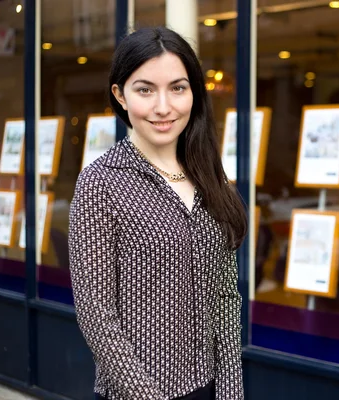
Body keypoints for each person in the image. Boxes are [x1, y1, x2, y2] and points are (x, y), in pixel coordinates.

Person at [68, 27, 247, 400]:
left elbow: (226, 296)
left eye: (177, 88)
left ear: (194, 93)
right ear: (120, 95)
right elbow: (96, 314)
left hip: (209, 388)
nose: (163, 107)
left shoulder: (210, 176)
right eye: (145, 89)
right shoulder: (99, 183)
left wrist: (231, 390)